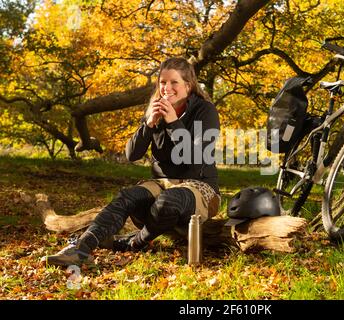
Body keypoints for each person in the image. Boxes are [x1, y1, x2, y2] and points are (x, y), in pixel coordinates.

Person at [41, 57, 221, 266]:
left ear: (188, 85)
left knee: (168, 202)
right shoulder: (156, 109)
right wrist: (148, 125)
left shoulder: (205, 111)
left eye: (174, 82)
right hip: (162, 183)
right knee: (128, 196)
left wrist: (173, 122)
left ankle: (136, 241)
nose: (166, 88)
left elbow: (197, 161)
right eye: (162, 82)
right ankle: (81, 248)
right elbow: (132, 155)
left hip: (199, 186)